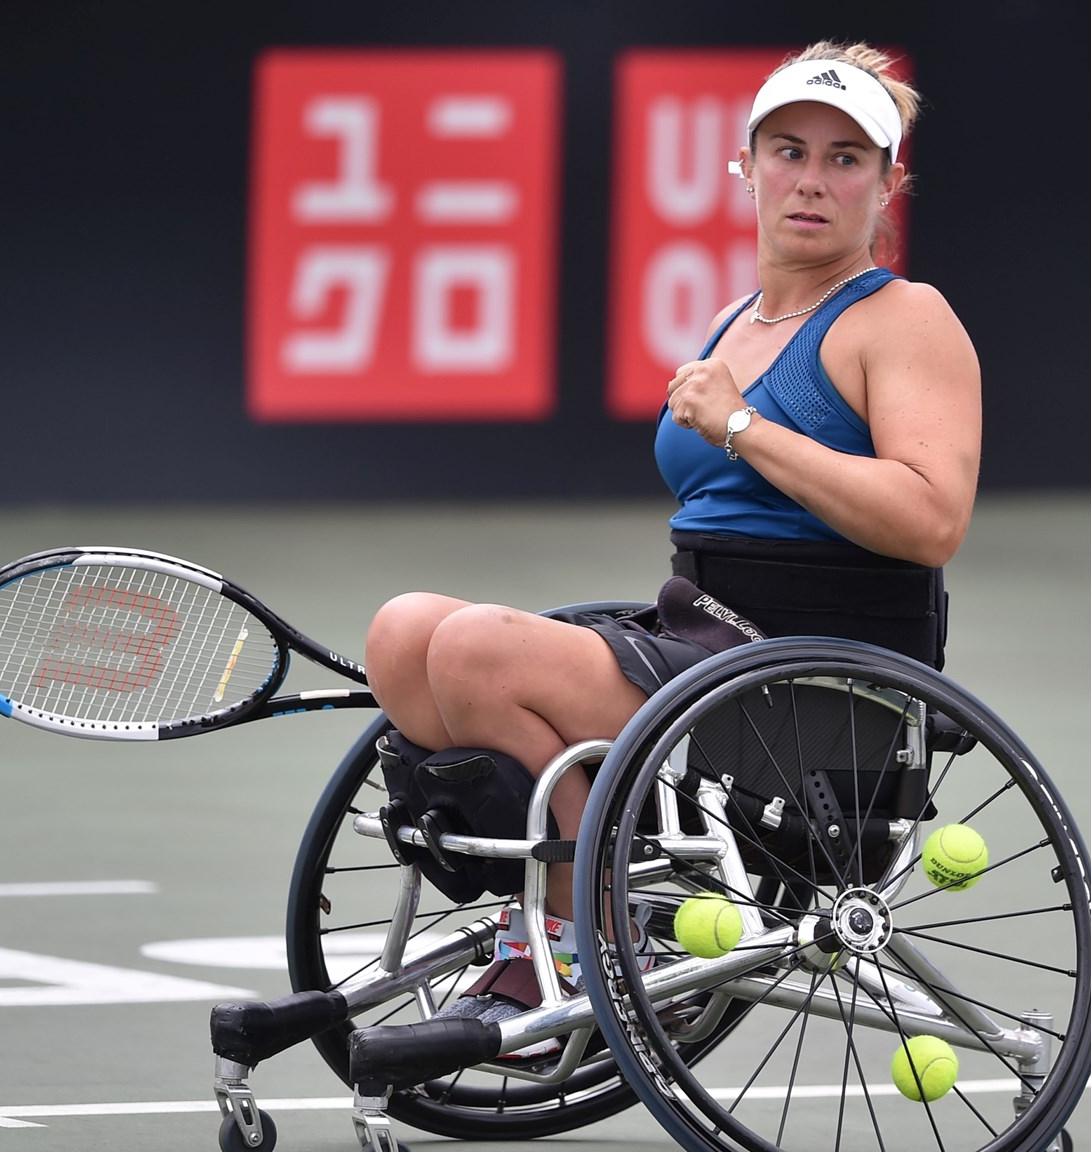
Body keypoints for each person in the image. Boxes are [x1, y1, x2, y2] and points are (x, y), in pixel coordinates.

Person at [364, 40, 981, 1032]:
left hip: (810, 691)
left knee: (475, 649)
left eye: (844, 159)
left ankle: (586, 930)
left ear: (887, 184)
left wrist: (742, 426)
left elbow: (931, 519)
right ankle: (572, 891)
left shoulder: (904, 320)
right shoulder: (735, 322)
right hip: (703, 641)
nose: (811, 180)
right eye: (788, 151)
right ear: (745, 167)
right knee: (403, 634)